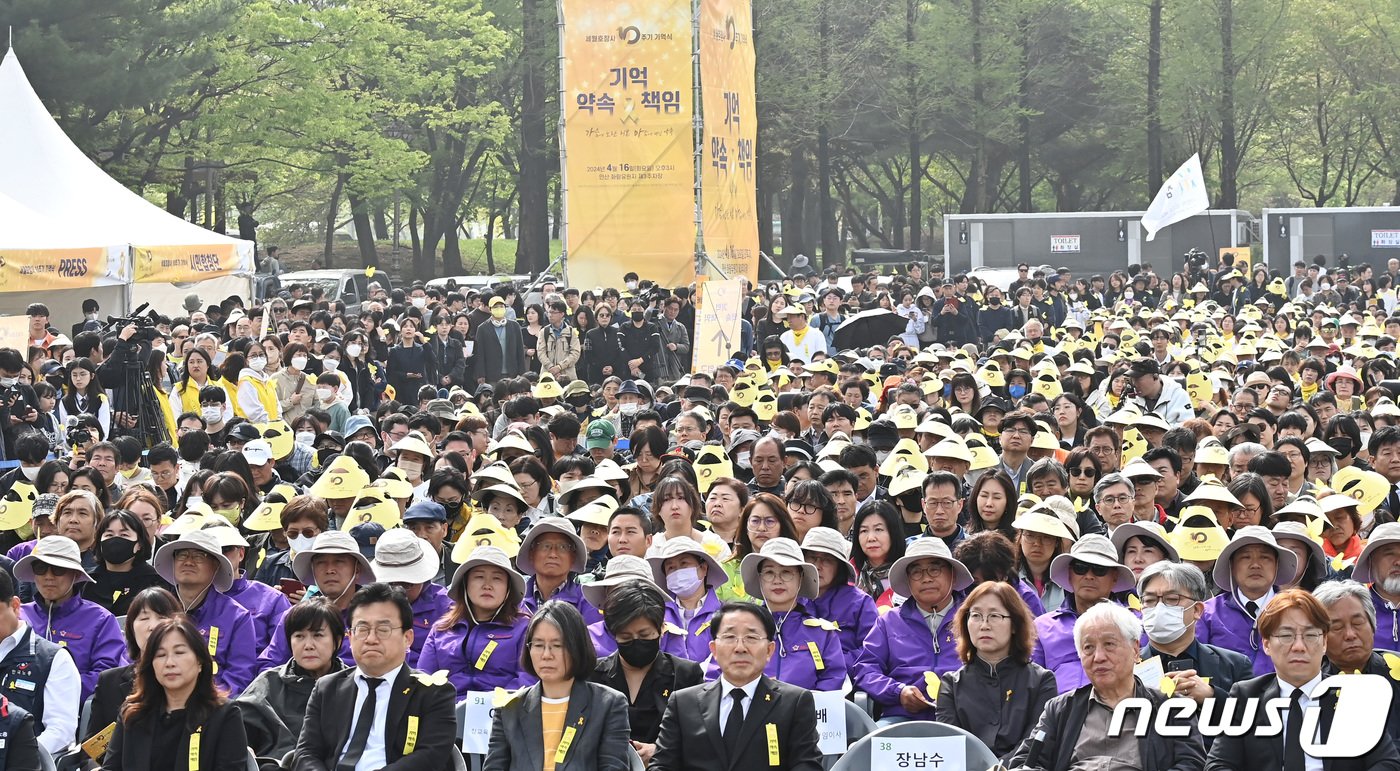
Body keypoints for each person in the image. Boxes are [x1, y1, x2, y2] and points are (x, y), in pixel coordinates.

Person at [1205, 588, 1400, 770]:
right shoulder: (1246, 696)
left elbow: (1386, 762)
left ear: (1324, 642)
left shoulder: (1350, 695)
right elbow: (1218, 764)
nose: (1299, 646)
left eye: (1310, 635)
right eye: (1286, 635)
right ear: (1266, 644)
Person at [1007, 602, 1207, 771]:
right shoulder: (1060, 709)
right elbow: (1026, 761)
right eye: (1088, 648)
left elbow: (1191, 764)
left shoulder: (1171, 708)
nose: (1099, 657)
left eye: (1109, 644)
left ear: (1136, 649)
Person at [293, 582, 458, 771]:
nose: (371, 639)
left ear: (408, 638)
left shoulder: (433, 692)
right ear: (350, 636)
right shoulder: (327, 687)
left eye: (383, 630)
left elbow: (431, 756)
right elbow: (306, 752)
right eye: (362, 629)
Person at [650, 602, 822, 771]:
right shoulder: (683, 702)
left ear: (769, 650)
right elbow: (662, 765)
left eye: (752, 638)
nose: (740, 648)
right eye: (730, 637)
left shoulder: (794, 702)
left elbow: (807, 764)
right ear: (714, 649)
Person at [483, 600, 631, 771]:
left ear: (577, 647)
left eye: (557, 645)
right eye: (538, 645)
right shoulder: (509, 707)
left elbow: (613, 766)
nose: (546, 655)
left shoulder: (608, 704)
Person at [101, 617, 249, 771]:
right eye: (160, 655)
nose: (169, 662)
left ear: (200, 662)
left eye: (179, 652)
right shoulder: (133, 712)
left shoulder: (224, 714)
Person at [851, 537, 973, 724]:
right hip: (901, 716)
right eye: (916, 572)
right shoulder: (888, 621)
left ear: (953, 575)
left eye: (935, 569)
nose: (926, 578)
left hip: (964, 716)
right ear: (908, 581)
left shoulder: (973, 618)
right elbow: (866, 669)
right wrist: (898, 691)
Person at [936, 581, 1056, 761]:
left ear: (1015, 624)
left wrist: (1000, 767)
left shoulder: (1042, 680)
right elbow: (950, 744)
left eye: (994, 616)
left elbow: (1037, 741)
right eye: (976, 615)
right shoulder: (951, 684)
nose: (984, 625)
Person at [589, 581, 703, 764]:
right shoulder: (593, 675)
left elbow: (699, 737)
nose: (636, 642)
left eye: (644, 635)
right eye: (626, 637)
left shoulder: (686, 674)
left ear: (661, 629)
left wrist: (659, 750)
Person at [726, 537, 846, 691]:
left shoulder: (821, 633)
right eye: (769, 572)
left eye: (786, 572)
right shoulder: (739, 628)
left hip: (805, 712)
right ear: (759, 578)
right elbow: (718, 673)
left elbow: (832, 678)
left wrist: (801, 703)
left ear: (801, 578)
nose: (777, 580)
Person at [15, 535, 125, 702]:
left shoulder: (101, 620)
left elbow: (107, 676)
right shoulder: (17, 616)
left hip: (77, 716)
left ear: (75, 574)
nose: (48, 576)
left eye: (58, 569)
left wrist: (54, 690)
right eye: (40, 568)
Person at [236, 599, 348, 763]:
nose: (308, 645)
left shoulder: (353, 686)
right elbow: (236, 735)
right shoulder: (267, 684)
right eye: (299, 636)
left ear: (337, 641)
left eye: (318, 635)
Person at [418, 545, 533, 698]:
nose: (487, 585)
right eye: (479, 577)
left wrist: (497, 706)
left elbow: (528, 679)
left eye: (497, 578)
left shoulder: (524, 628)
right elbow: (424, 678)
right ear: (465, 584)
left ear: (508, 588)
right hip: (446, 713)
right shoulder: (441, 629)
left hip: (502, 713)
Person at [152, 529, 258, 695]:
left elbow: (239, 676)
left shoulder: (237, 617)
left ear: (216, 565)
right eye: (182, 555)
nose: (188, 562)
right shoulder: (156, 609)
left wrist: (207, 704)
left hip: (213, 708)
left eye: (199, 556)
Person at [1032, 534, 1136, 694]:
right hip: (1057, 715)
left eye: (1099, 569)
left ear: (1114, 577)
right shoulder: (1042, 626)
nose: (1089, 576)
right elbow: (1031, 684)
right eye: (1080, 568)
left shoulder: (1135, 624)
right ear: (1069, 574)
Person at [1137, 562, 1253, 705]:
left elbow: (1253, 719)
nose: (1159, 608)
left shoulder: (1235, 665)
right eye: (1149, 600)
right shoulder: (1126, 667)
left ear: (1197, 610)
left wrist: (1213, 696)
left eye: (1172, 599)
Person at [1197, 526, 1299, 675]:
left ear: (1276, 565)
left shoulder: (1295, 610)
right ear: (1232, 566)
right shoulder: (1208, 614)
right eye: (1245, 557)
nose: (1255, 565)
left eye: (1265, 557)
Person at [86, 587, 181, 742]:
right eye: (144, 619)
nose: (153, 626)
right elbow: (91, 749)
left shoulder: (188, 679)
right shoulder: (109, 682)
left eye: (162, 617)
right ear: (131, 628)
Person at [1315, 580, 1400, 753]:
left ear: (1372, 625)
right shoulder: (1311, 684)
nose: (1350, 635)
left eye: (1358, 623)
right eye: (1337, 627)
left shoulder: (1396, 670)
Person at [369, 529, 452, 668]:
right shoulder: (368, 604)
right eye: (390, 584)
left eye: (407, 584)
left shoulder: (446, 608)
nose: (399, 590)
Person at [801, 526, 878, 661]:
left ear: (839, 567)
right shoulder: (789, 597)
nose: (817, 566)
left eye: (827, 560)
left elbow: (872, 651)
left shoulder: (860, 603)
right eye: (812, 558)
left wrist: (833, 663)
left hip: (847, 677)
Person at [646, 536, 725, 663]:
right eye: (670, 568)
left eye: (684, 564)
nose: (678, 571)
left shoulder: (725, 613)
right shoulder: (656, 613)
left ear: (703, 568)